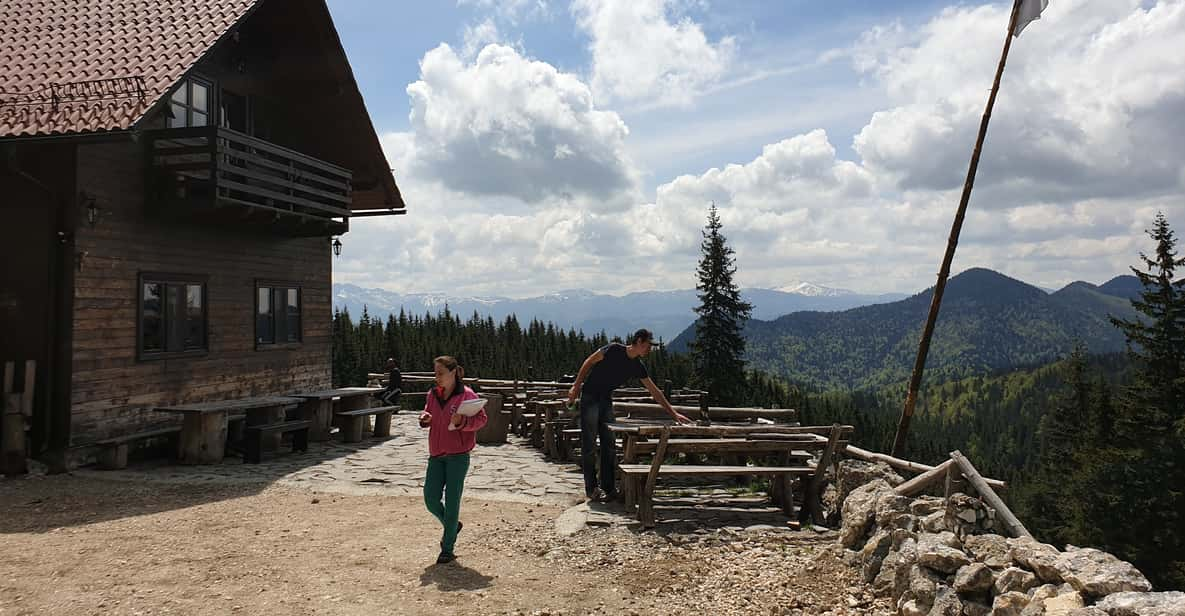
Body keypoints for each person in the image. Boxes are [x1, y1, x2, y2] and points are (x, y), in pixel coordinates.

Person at [566, 329, 692, 502]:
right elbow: (589, 361)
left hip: (605, 399)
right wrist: (576, 386)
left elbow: (654, 391)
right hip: (589, 395)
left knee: (608, 444)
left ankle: (608, 488)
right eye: (648, 345)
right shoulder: (613, 349)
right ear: (639, 341)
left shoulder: (637, 365)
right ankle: (591, 489)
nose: (650, 349)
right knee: (589, 443)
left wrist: (673, 413)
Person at [419, 355, 488, 564]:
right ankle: (452, 525)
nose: (436, 377)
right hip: (437, 454)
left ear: (453, 373)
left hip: (458, 456)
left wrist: (463, 421)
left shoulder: (467, 395)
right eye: (435, 373)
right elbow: (428, 413)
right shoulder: (433, 394)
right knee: (430, 499)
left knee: (452, 501)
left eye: (440, 373)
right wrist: (425, 419)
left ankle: (447, 548)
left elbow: (481, 419)